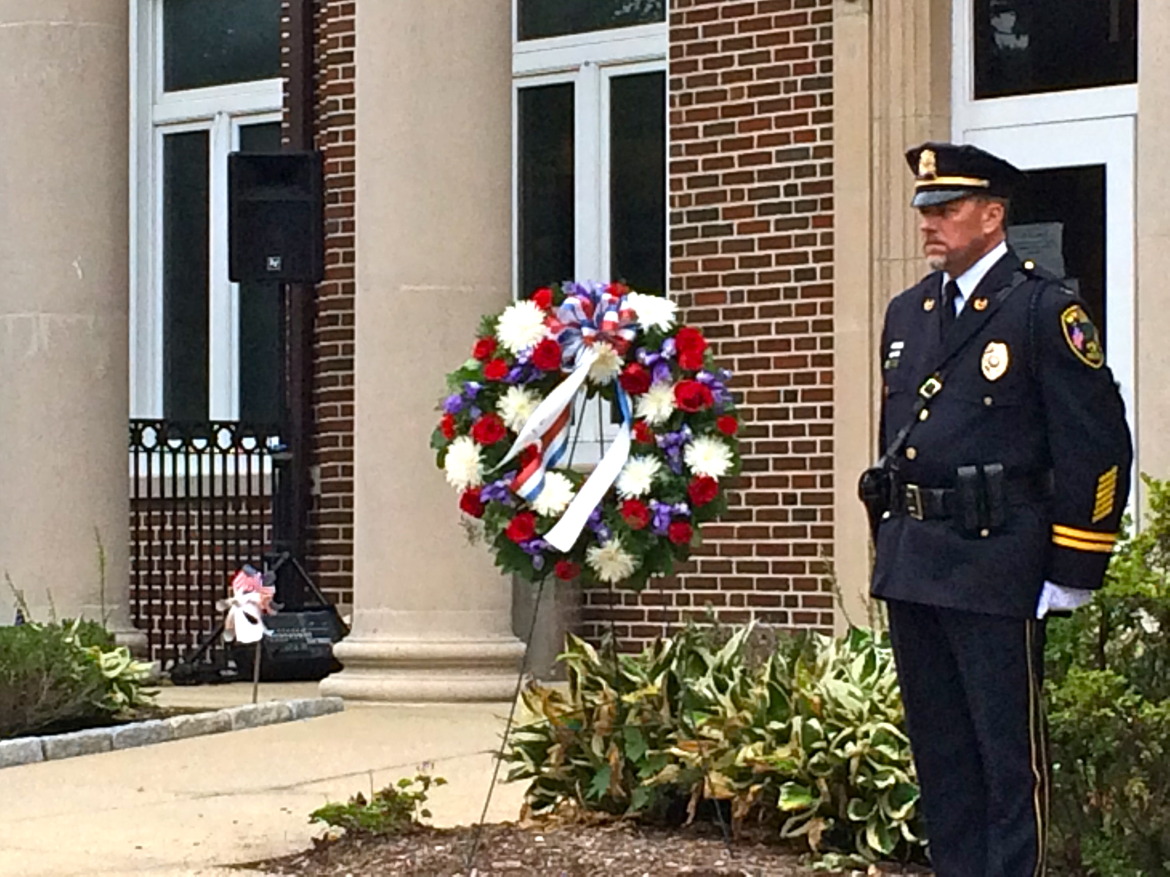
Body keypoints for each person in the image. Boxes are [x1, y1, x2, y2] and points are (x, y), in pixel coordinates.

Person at [861, 141, 1133, 875]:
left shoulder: (1044, 308)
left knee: (1009, 766)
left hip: (996, 563)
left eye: (946, 209)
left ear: (993, 213)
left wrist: (1076, 561)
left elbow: (1098, 444)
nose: (929, 224)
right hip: (918, 562)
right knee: (942, 762)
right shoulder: (908, 313)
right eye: (925, 210)